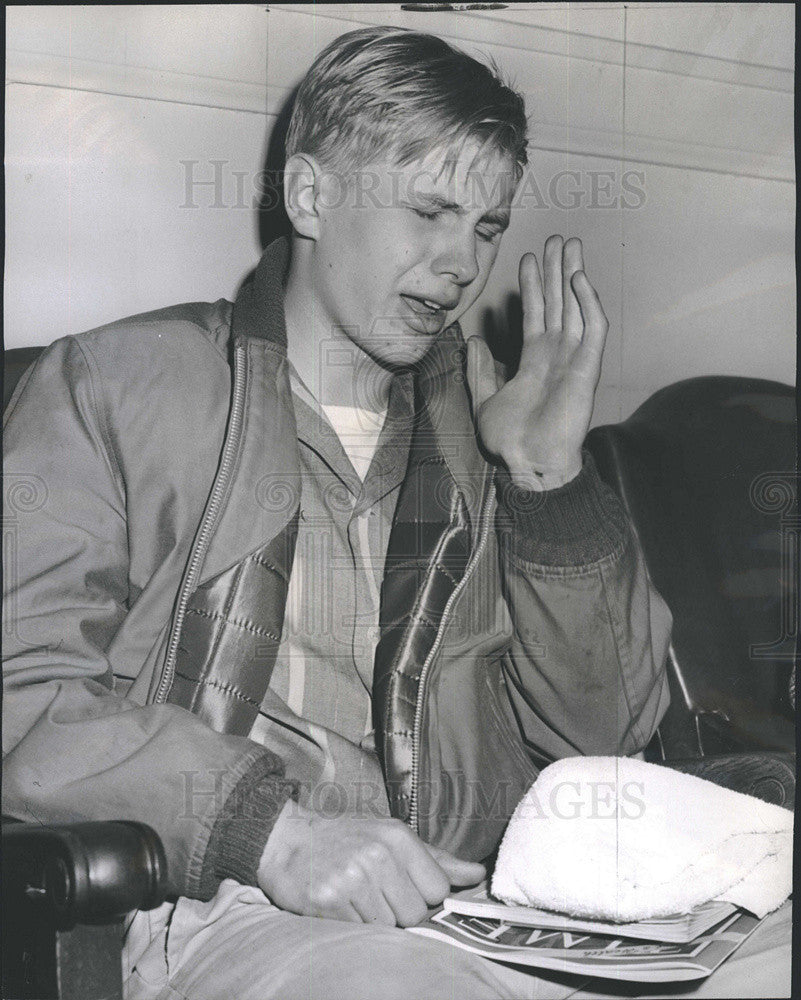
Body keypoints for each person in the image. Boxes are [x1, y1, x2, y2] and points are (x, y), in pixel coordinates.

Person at [3, 25, 672, 999]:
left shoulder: (485, 438)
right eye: (431, 211)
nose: (462, 265)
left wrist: (548, 478)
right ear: (311, 195)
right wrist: (269, 830)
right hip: (230, 903)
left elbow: (606, 741)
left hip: (486, 905)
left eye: (486, 227)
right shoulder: (111, 387)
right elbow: (21, 695)